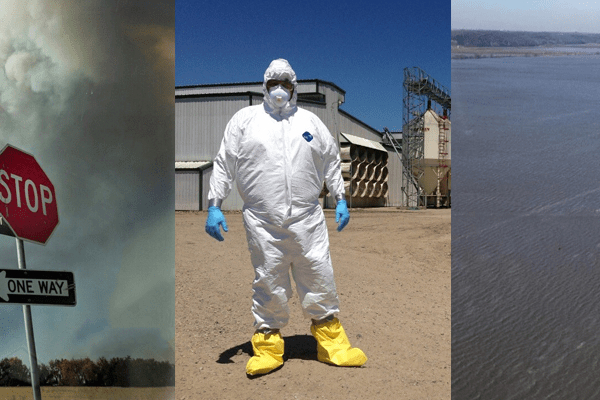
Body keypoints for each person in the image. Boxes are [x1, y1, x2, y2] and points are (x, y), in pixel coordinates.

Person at [205, 58, 367, 376]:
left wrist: (341, 198)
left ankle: (333, 345)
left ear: (295, 87)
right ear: (264, 86)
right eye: (273, 83)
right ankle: (267, 349)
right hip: (263, 221)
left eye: (286, 83)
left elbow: (332, 160)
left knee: (319, 277)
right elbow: (224, 161)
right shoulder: (245, 120)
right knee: (268, 281)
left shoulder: (311, 122)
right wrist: (215, 203)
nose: (279, 89)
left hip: (308, 219)